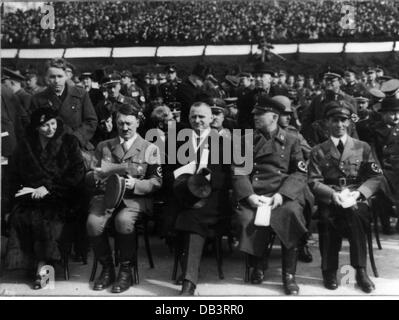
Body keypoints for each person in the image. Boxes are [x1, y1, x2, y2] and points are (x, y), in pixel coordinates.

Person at [232, 95, 308, 295]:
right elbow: (239, 171)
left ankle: (289, 275)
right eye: (255, 113)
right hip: (256, 194)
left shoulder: (292, 139)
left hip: (282, 195)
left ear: (274, 117)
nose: (255, 117)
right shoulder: (245, 140)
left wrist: (283, 195)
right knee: (247, 217)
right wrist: (249, 196)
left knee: (290, 214)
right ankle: (258, 265)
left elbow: (299, 171)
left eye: (260, 114)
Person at [5, 107, 85, 289]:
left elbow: (77, 174)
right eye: (45, 125)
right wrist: (17, 196)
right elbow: (13, 175)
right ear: (35, 127)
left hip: (62, 195)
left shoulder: (68, 142)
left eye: (53, 123)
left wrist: (48, 188)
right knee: (21, 215)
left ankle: (45, 268)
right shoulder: (25, 145)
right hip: (30, 196)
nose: (51, 129)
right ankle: (31, 262)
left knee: (46, 218)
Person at [86, 103, 162, 293]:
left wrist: (136, 184)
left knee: (123, 221)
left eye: (129, 123)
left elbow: (156, 181)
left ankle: (125, 270)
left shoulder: (149, 148)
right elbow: (89, 175)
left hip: (133, 199)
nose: (125, 128)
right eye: (120, 124)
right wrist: (94, 176)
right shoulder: (104, 146)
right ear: (115, 124)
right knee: (93, 223)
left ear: (138, 122)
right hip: (106, 197)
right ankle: (107, 268)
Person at [308, 102, 382, 293]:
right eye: (334, 120)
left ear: (349, 123)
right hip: (331, 197)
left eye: (343, 120)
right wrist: (332, 195)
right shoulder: (318, 150)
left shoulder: (362, 147)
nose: (339, 124)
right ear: (327, 123)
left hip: (356, 197)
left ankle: (360, 271)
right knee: (327, 219)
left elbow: (375, 176)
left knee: (356, 217)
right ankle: (329, 270)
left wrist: (359, 193)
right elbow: (313, 181)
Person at [163, 102, 229, 296]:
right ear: (188, 118)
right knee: (177, 215)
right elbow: (165, 173)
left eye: (202, 116)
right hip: (181, 195)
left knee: (191, 218)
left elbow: (228, 179)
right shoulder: (176, 142)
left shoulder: (223, 143)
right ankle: (190, 271)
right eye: (193, 116)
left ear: (211, 119)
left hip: (211, 199)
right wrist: (181, 174)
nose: (197, 120)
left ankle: (189, 280)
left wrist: (209, 177)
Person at [368, 97, 399, 234]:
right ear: (383, 114)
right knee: (381, 183)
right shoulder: (374, 130)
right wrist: (378, 170)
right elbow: (372, 153)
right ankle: (385, 222)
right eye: (392, 113)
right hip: (384, 168)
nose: (397, 116)